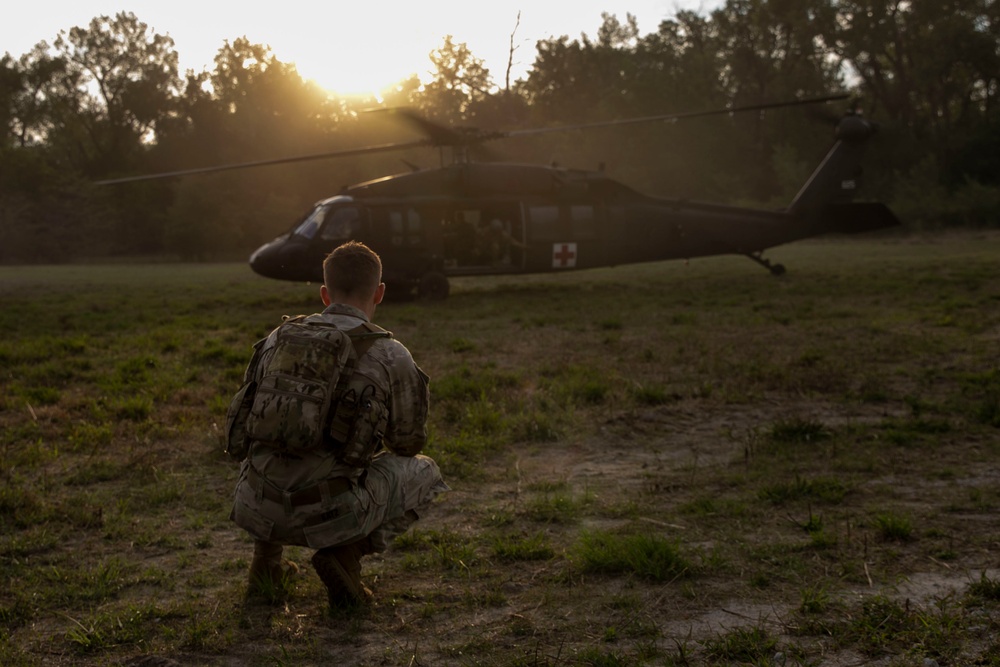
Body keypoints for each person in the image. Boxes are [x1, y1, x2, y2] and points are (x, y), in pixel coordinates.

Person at [228, 241, 448, 608]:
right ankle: (347, 556)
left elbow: (248, 424)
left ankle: (265, 565)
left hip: (255, 504)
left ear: (324, 294)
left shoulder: (277, 338)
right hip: (331, 515)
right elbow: (407, 443)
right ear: (379, 292)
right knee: (427, 473)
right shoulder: (391, 353)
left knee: (273, 448)